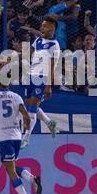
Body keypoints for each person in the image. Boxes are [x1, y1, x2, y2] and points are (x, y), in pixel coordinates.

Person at [0, 80, 42, 194]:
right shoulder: (16, 96)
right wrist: (26, 131)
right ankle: (32, 179)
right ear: (8, 83)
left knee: (10, 171)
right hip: (17, 137)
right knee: (13, 166)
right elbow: (26, 116)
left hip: (3, 138)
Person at [21, 15, 60, 149]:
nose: (42, 27)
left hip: (42, 78)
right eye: (41, 25)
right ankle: (49, 123)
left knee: (31, 109)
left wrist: (49, 85)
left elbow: (53, 65)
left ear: (52, 28)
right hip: (31, 75)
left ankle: (26, 137)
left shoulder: (55, 45)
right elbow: (28, 55)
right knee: (31, 105)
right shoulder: (37, 40)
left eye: (45, 25)